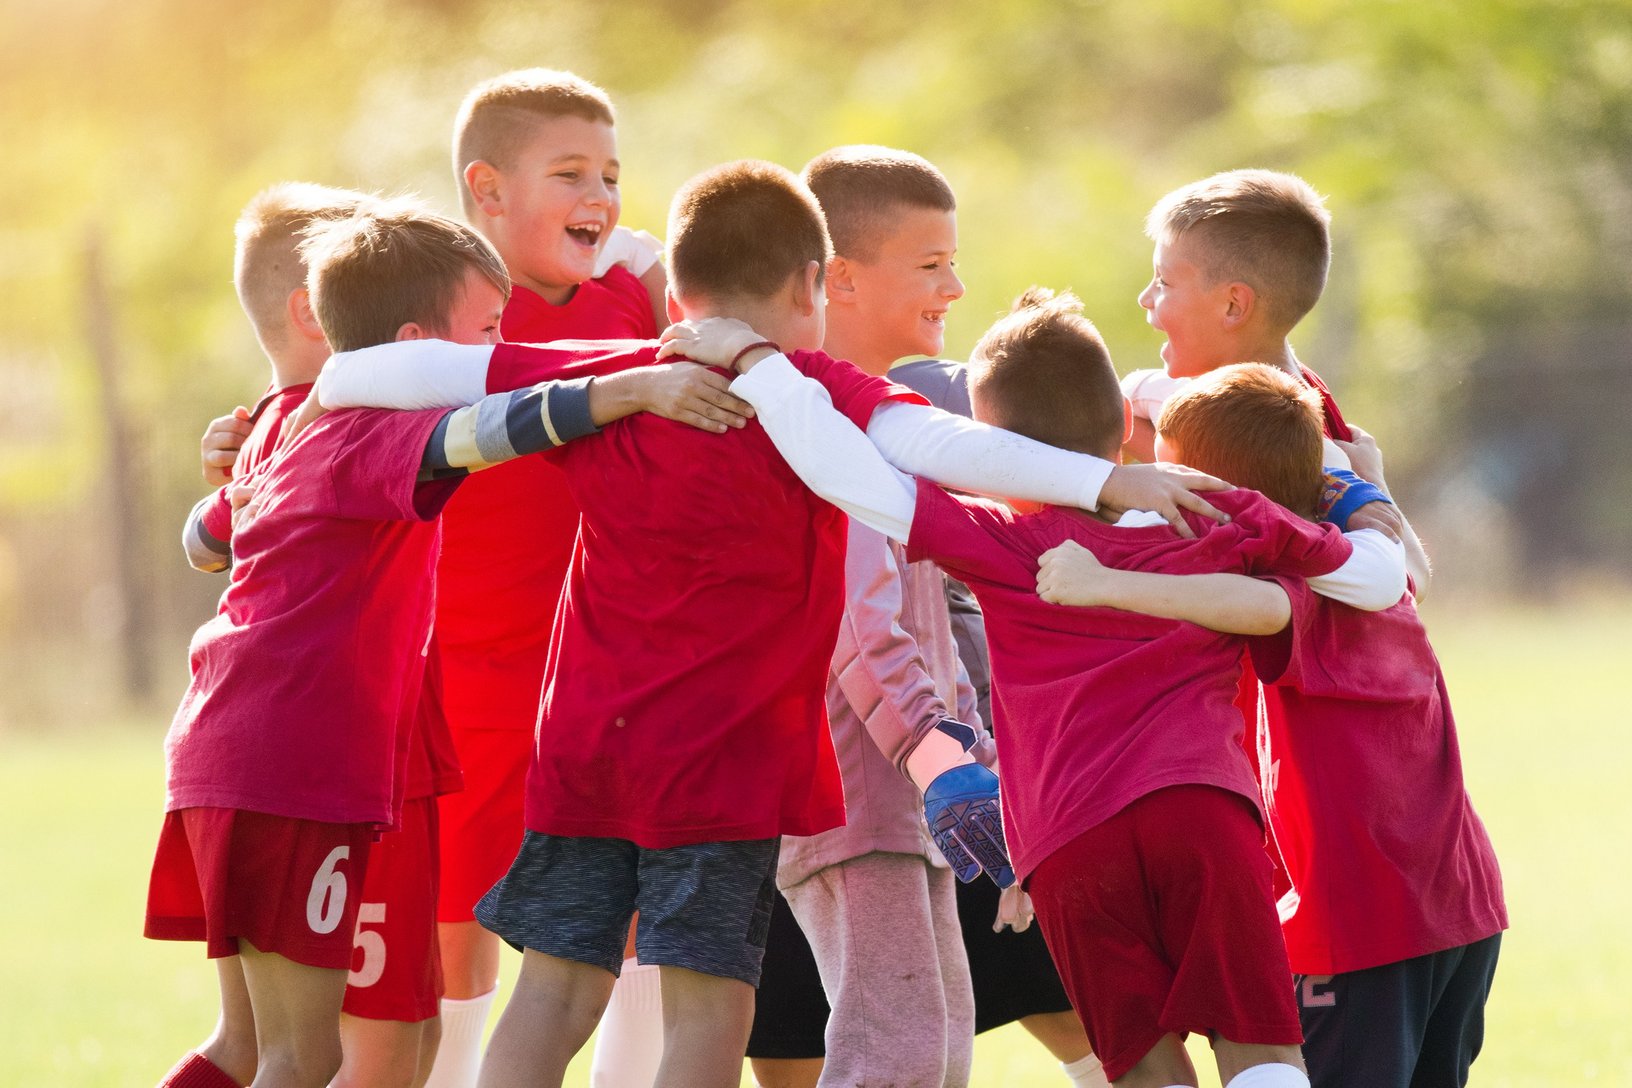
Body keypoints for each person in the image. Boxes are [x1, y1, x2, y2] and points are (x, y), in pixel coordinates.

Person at [310, 160, 1238, 1088]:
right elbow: (940, 445)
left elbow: (384, 370)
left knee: (553, 995)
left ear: (678, 292)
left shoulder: (630, 376)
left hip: (586, 750)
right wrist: (1109, 479)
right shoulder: (815, 390)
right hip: (725, 767)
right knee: (710, 1007)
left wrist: (318, 390)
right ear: (811, 284)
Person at [662, 287, 1408, 1088]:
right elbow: (1376, 580)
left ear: (991, 446)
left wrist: (757, 362)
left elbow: (844, 475)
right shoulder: (1215, 514)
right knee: (1261, 1053)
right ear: (1124, 427)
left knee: (1146, 1068)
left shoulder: (1000, 538)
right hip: (1201, 812)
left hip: (1071, 846)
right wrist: (1362, 495)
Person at [150, 201, 735, 1088]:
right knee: (303, 1058)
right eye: (490, 331)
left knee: (262, 1050)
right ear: (418, 343)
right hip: (294, 764)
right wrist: (630, 388)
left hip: (226, 749)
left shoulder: (286, 416)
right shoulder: (366, 426)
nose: (500, 347)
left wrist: (220, 484)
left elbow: (205, 540)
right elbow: (487, 430)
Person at [1037, 363, 1506, 1088]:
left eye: (1174, 482)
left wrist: (1107, 584)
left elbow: (1250, 606)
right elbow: (1382, 532)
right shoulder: (1363, 554)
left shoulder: (1297, 590)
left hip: (1360, 925)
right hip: (1461, 911)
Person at [758, 143, 1103, 1088]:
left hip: (914, 792)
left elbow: (941, 622)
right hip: (858, 799)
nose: (956, 286)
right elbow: (858, 628)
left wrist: (978, 765)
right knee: (896, 1052)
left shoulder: (893, 418)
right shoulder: (817, 426)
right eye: (931, 263)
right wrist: (941, 760)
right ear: (840, 277)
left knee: (938, 1044)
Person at [424, 68, 742, 1088]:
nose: (601, 196)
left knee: (639, 903)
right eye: (569, 174)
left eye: (610, 172)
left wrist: (659, 286)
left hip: (610, 667)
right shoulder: (447, 305)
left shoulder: (635, 291)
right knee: (459, 902)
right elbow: (345, 387)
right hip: (471, 663)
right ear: (486, 188)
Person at [181, 182, 464, 1088]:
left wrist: (212, 505)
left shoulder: (269, 426)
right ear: (318, 308)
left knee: (347, 1042)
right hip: (333, 756)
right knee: (346, 1051)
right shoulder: (343, 422)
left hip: (327, 747)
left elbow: (203, 541)